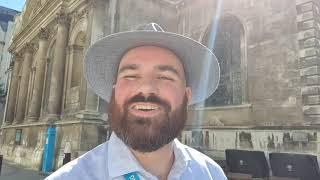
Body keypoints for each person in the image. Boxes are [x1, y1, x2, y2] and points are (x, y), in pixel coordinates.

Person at [45, 23, 226, 180]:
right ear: (114, 92)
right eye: (130, 76)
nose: (146, 88)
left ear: (187, 96)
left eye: (165, 77)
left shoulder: (211, 174)